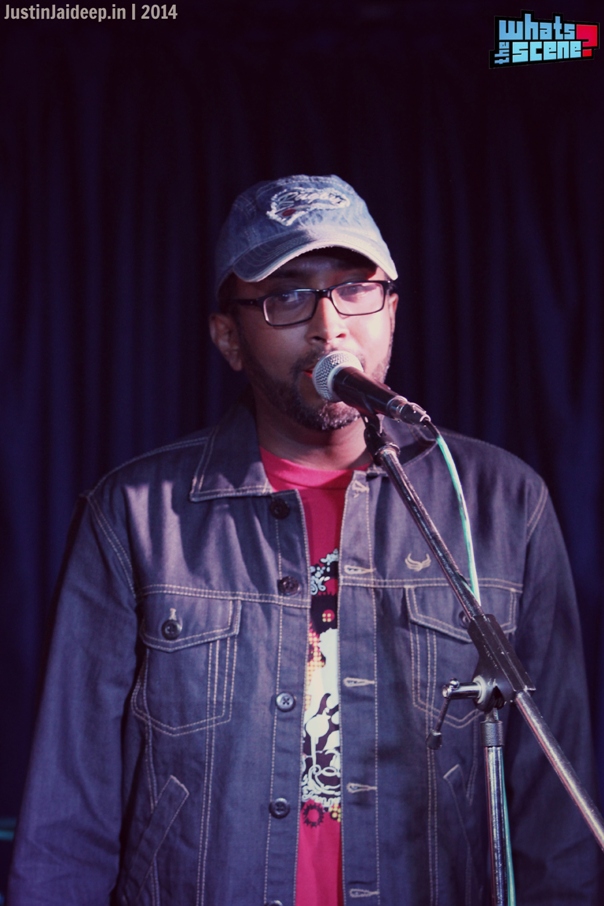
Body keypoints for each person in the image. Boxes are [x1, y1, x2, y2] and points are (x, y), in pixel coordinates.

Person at [8, 174, 603, 905]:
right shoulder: (137, 515)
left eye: (354, 289)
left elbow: (556, 823)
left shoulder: (502, 505)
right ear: (229, 337)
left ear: (392, 312)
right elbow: (66, 821)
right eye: (288, 296)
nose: (329, 327)